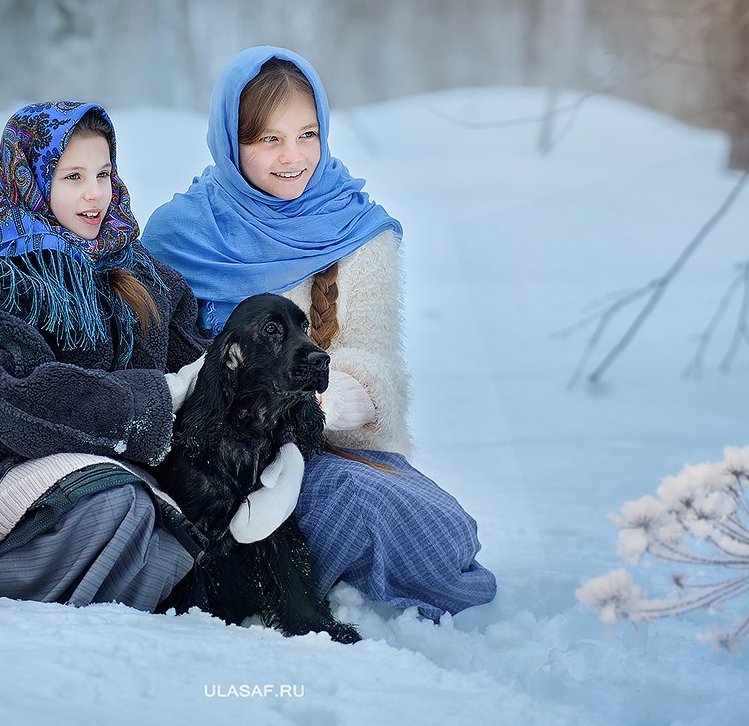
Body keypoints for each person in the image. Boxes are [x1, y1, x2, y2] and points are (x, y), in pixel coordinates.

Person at [0, 101, 301, 610]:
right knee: (119, 508)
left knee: (179, 526)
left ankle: (145, 594)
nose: (94, 194)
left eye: (103, 174)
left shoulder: (134, 270)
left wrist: (281, 447)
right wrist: (153, 400)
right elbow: (18, 399)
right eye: (72, 176)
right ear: (31, 180)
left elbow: (206, 371)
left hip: (88, 462)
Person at [144, 46, 498, 620]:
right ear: (230, 141)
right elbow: (150, 359)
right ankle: (274, 593)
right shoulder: (178, 234)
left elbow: (375, 365)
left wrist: (317, 403)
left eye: (307, 134)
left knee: (440, 530)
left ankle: (311, 582)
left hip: (318, 445)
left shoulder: (355, 229)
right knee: (331, 509)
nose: (293, 157)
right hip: (205, 456)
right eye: (267, 140)